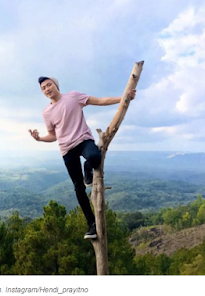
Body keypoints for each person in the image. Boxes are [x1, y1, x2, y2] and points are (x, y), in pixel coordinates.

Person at [29, 77, 136, 239]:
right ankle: (91, 224)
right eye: (43, 88)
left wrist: (124, 98)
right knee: (78, 188)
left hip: (83, 140)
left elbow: (99, 101)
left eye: (49, 85)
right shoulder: (46, 113)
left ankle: (88, 170)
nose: (46, 89)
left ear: (56, 85)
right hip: (66, 149)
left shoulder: (73, 96)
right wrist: (39, 139)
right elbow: (53, 135)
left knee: (94, 157)